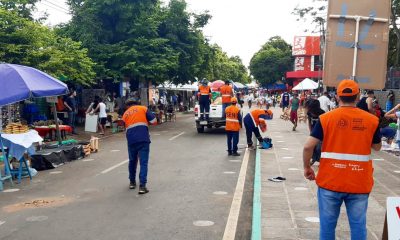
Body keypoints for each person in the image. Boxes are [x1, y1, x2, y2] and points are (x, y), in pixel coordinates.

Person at [302, 79, 381, 240]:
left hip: (330, 181)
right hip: (358, 182)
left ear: (337, 97)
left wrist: (307, 167)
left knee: (327, 226)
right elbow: (377, 147)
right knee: (358, 226)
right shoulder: (372, 120)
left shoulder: (326, 119)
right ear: (358, 96)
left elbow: (308, 147)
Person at [122, 99, 157, 194]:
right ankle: (142, 186)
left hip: (131, 140)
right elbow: (154, 121)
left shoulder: (125, 113)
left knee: (132, 161)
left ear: (128, 105)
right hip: (143, 139)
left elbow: (123, 126)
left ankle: (132, 182)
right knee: (143, 163)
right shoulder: (143, 108)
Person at [304, 99, 325, 165]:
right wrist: (311, 131)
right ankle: (313, 159)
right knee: (312, 146)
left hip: (321, 132)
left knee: (319, 148)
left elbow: (324, 124)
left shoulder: (322, 113)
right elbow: (309, 122)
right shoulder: (309, 113)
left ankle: (320, 161)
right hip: (313, 131)